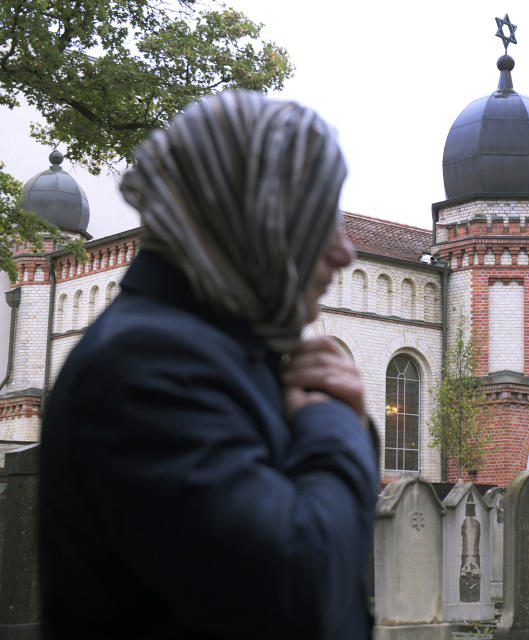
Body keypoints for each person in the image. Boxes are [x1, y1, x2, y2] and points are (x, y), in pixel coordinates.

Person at [39, 90, 379, 639]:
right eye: (321, 220)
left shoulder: (216, 348)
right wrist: (336, 424)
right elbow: (293, 591)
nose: (345, 253)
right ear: (249, 217)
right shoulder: (143, 368)